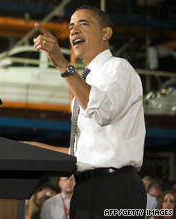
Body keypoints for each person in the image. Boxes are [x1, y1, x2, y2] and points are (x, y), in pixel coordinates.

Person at [27, 5, 146, 218]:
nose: (73, 30)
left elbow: (103, 113)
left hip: (115, 189)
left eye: (83, 23)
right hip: (85, 188)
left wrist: (62, 64)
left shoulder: (119, 68)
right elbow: (85, 153)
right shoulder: (86, 79)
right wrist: (33, 149)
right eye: (71, 26)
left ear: (105, 33)